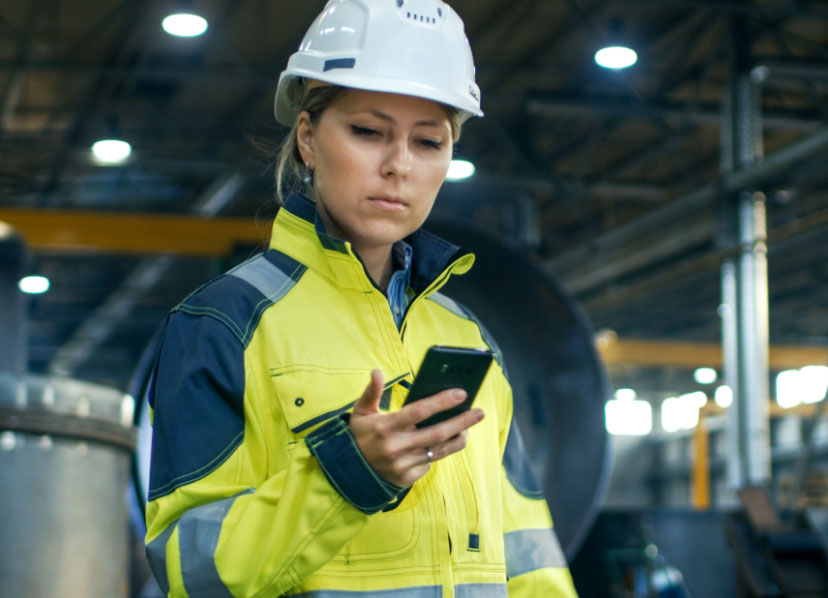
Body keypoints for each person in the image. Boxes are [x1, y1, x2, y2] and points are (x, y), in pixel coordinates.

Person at [144, 1, 579, 596]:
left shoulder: (466, 337)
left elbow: (528, 553)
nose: (399, 166)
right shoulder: (223, 325)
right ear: (308, 139)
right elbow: (189, 573)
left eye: (429, 142)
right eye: (368, 132)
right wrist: (344, 474)